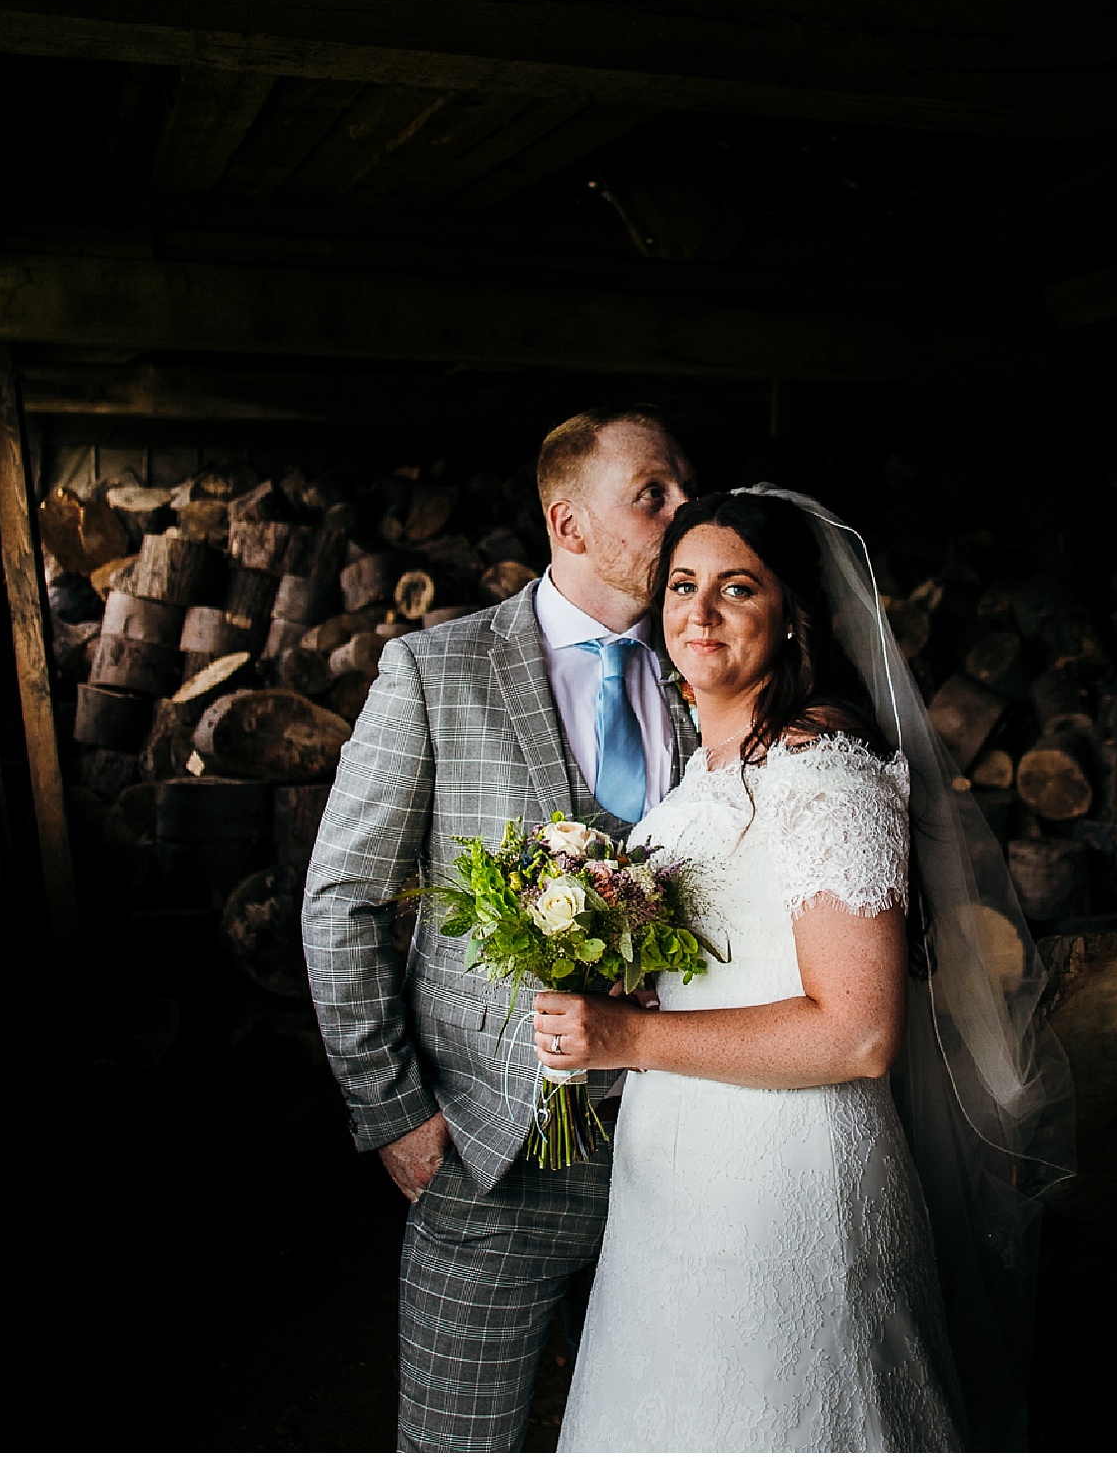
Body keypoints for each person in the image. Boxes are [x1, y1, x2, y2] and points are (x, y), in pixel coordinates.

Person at [534, 487, 1076, 1452]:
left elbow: (859, 1032)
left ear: (793, 621)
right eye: (683, 586)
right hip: (675, 1190)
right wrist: (612, 998)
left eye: (736, 589)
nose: (698, 614)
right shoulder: (705, 776)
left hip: (788, 1192)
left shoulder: (826, 774)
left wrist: (631, 1036)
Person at [302, 407, 697, 1451]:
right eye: (652, 494)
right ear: (569, 521)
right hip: (487, 1155)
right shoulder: (438, 671)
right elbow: (340, 894)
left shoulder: (704, 671)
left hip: (682, 1151)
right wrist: (392, 1111)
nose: (683, 514)